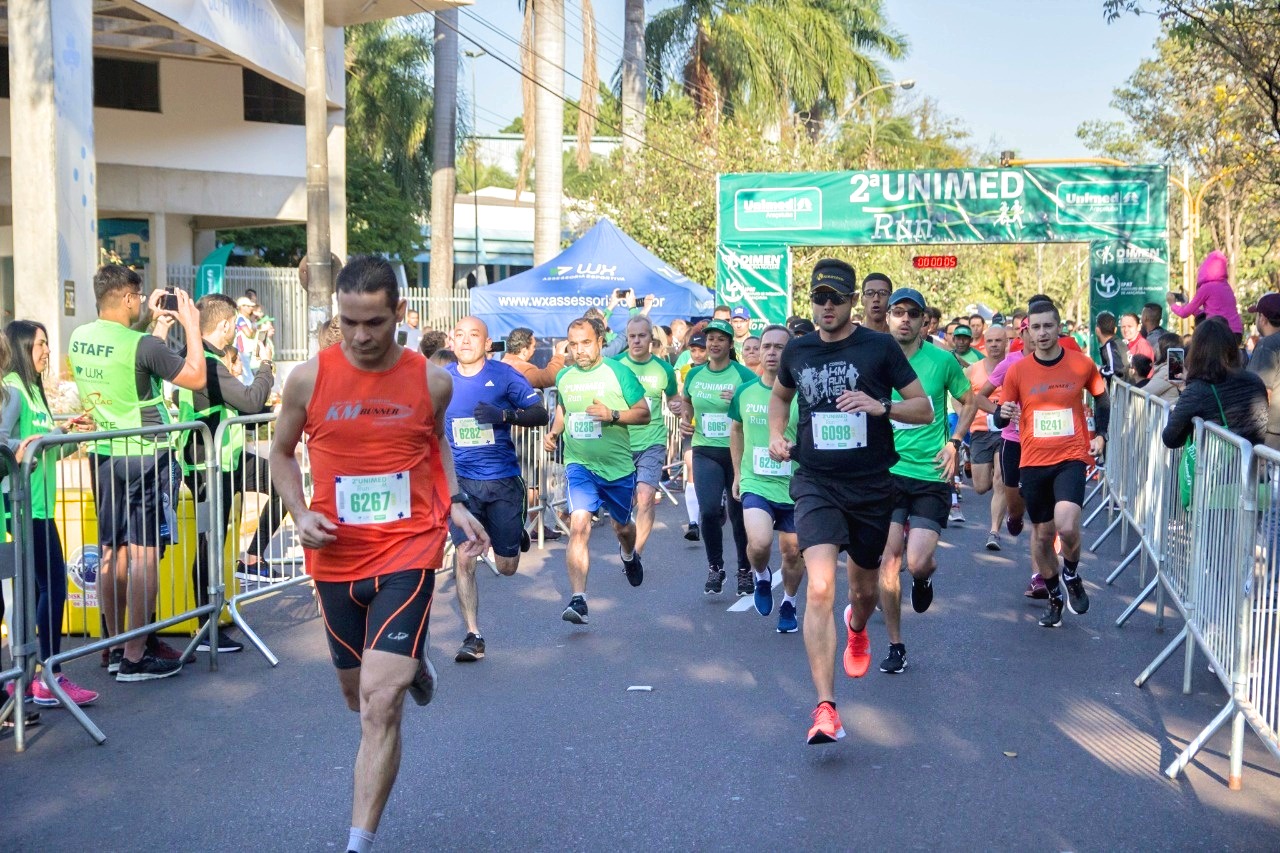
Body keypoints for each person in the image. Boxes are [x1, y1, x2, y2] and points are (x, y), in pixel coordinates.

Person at [270, 255, 489, 853]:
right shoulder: (309, 379)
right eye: (349, 323)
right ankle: (411, 662)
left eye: (375, 323)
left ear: (400, 315)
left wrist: (454, 503)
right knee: (354, 694)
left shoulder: (431, 381)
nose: (362, 337)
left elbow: (433, 442)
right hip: (336, 556)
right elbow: (282, 453)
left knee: (379, 701)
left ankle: (357, 844)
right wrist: (298, 511)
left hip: (408, 549)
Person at [769, 258, 930, 744]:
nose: (827, 306)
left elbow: (922, 409)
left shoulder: (879, 347)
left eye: (836, 298)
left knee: (862, 593)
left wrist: (882, 406)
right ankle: (826, 709)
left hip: (871, 485)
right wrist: (777, 433)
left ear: (853, 299)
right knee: (820, 586)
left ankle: (857, 627)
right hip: (816, 480)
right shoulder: (797, 350)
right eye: (820, 298)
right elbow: (779, 398)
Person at [68, 265, 207, 681]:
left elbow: (127, 355)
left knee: (112, 551)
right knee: (145, 553)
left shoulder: (80, 338)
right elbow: (196, 376)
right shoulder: (143, 345)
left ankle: (113, 648)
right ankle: (135, 655)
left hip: (106, 453)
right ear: (128, 298)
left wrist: (149, 323)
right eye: (138, 297)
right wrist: (192, 325)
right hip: (148, 454)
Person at [173, 294, 282, 659]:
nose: (238, 331)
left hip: (231, 458)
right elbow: (249, 401)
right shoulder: (205, 360)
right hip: (207, 466)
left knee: (281, 480)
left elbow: (242, 403)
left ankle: (251, 558)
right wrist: (267, 366)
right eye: (235, 325)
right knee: (209, 545)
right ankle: (206, 626)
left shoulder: (212, 359)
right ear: (223, 326)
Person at [876, 288, 976, 673]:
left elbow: (969, 400)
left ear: (923, 322)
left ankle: (923, 579)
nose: (904, 319)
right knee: (889, 561)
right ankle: (896, 645)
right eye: (897, 312)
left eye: (912, 314)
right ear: (887, 317)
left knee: (916, 563)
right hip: (887, 473)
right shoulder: (875, 359)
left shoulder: (941, 360)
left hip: (930, 474)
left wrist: (954, 443)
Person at [996, 301, 1109, 628]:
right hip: (1032, 461)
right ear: (1027, 331)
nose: (1042, 333)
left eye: (1048, 326)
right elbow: (1000, 411)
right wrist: (1000, 413)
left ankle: (1071, 573)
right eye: (1036, 327)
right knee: (1043, 537)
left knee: (1067, 524)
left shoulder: (1081, 364)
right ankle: (1056, 595)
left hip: (1071, 457)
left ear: (1058, 327)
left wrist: (1101, 434)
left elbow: (1101, 396)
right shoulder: (1018, 370)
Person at [2, 323, 98, 706]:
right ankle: (44, 674)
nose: (46, 350)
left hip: (41, 505)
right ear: (24, 346)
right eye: (41, 344)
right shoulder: (11, 388)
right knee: (51, 586)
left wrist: (62, 434)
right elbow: (7, 444)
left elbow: (40, 448)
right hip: (23, 506)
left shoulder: (34, 391)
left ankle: (29, 676)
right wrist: (22, 446)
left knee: (43, 588)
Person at [445, 317, 548, 662]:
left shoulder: (504, 376)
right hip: (461, 484)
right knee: (465, 555)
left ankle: (513, 533)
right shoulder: (441, 380)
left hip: (502, 481)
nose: (465, 341)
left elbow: (539, 413)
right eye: (459, 335)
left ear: (488, 343)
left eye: (474, 335)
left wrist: (504, 416)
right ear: (451, 340)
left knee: (506, 567)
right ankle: (473, 635)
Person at [543, 318, 649, 622]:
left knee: (622, 528)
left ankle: (628, 554)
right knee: (578, 525)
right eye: (573, 344)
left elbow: (644, 413)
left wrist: (612, 414)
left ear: (600, 342)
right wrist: (554, 432)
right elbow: (564, 409)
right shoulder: (564, 376)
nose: (579, 350)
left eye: (585, 343)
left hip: (617, 468)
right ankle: (578, 599)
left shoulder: (619, 372)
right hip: (580, 465)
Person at [728, 324, 801, 631]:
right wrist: (736, 475)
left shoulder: (802, 393)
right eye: (766, 346)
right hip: (756, 481)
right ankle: (760, 576)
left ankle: (789, 603)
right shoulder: (745, 391)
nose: (771, 353)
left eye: (779, 347)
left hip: (796, 485)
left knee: (792, 552)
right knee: (758, 544)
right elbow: (736, 430)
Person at [680, 319, 757, 596]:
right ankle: (716, 567)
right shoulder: (694, 375)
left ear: (729, 344)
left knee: (738, 516)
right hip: (704, 450)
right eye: (710, 338)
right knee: (710, 510)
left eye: (720, 339)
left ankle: (745, 570)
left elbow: (758, 404)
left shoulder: (744, 376)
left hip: (737, 452)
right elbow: (685, 401)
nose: (713, 343)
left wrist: (738, 398)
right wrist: (685, 420)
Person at [616, 316, 679, 565]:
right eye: (632, 336)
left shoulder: (663, 369)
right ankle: (627, 540)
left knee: (645, 497)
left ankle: (635, 555)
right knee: (625, 503)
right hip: (621, 442)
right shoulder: (616, 366)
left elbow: (674, 400)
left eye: (641, 336)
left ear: (650, 339)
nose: (636, 341)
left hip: (652, 441)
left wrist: (677, 407)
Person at [1163, 318, 1267, 451]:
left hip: (1216, 468)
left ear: (1196, 351)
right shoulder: (1255, 381)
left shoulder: (1197, 390)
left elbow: (1171, 438)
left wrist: (1187, 390)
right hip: (1251, 465)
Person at [966, 324, 1011, 551]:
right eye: (990, 341)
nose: (994, 345)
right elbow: (960, 395)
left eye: (998, 341)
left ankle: (994, 531)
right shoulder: (973, 370)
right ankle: (993, 477)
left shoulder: (1013, 366)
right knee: (981, 486)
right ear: (985, 343)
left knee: (1000, 480)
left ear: (1006, 343)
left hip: (1005, 432)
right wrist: (962, 415)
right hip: (980, 431)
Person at [676, 333, 708, 539]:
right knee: (691, 467)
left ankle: (719, 503)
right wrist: (678, 409)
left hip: (718, 433)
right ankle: (693, 522)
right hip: (693, 428)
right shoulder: (687, 371)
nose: (696, 354)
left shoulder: (725, 369)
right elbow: (682, 398)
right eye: (693, 350)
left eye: (701, 350)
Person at [1168, 250, 1244, 336]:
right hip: (1236, 332)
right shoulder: (1226, 286)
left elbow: (1184, 313)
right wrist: (1187, 304)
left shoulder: (1207, 287)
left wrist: (1172, 304)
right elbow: (1208, 312)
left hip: (1219, 332)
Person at [1246, 293, 1280, 450]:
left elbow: (1261, 392)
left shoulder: (1267, 345)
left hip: (1271, 434)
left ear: (1263, 318)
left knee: (1265, 475)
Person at [502, 327, 566, 390]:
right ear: (524, 351)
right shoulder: (523, 369)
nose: (534, 349)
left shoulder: (502, 363)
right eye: (533, 346)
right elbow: (550, 377)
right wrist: (559, 354)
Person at [1144, 332, 1185, 404]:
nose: (1155, 349)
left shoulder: (1167, 369)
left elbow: (1145, 392)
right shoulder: (1169, 367)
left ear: (1164, 349)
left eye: (1158, 346)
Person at [1094, 311, 1128, 385]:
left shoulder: (1110, 346)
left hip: (1121, 393)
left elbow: (1114, 371)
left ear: (1097, 330)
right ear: (1115, 329)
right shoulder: (1119, 342)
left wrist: (1099, 369)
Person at [233, 296, 259, 385]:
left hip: (247, 351)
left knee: (247, 375)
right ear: (242, 307)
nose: (251, 308)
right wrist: (254, 327)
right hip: (242, 351)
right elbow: (249, 334)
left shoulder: (246, 319)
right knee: (248, 376)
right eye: (248, 306)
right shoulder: (240, 319)